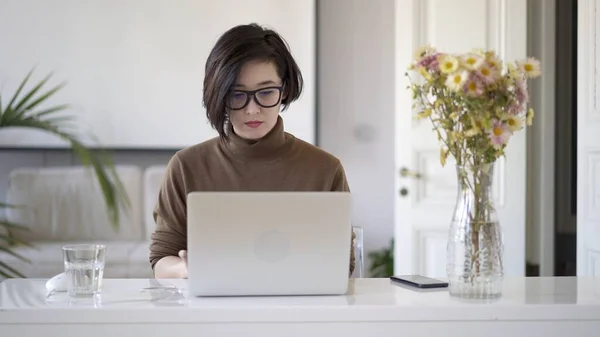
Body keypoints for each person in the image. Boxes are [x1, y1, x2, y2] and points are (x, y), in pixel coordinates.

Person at [149, 23, 355, 279]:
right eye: (237, 95)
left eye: (266, 92)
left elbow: (342, 264)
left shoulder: (325, 168)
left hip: (298, 309)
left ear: (285, 90)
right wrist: (186, 268)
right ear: (220, 96)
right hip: (211, 311)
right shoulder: (186, 165)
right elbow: (161, 261)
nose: (252, 109)